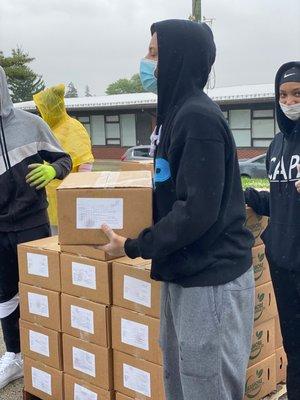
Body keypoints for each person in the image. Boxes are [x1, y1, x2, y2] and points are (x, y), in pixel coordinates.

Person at [99, 20, 255, 400]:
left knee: (207, 386)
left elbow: (195, 212)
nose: (146, 61)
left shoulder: (197, 118)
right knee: (180, 379)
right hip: (182, 270)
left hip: (211, 277)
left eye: (155, 53)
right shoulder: (173, 117)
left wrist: (134, 245)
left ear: (178, 59)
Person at [0, 66, 72, 389]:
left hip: (33, 225)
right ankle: (15, 355)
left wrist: (51, 170)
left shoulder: (32, 124)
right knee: (4, 295)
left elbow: (66, 160)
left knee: (41, 289)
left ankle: (49, 353)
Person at [245, 61, 300, 400]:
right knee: (293, 346)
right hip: (281, 260)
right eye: (283, 94)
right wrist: (246, 196)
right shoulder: (276, 145)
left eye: (297, 94)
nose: (289, 101)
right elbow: (278, 199)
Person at [33, 84, 94, 233]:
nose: (39, 114)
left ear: (51, 108)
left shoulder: (73, 127)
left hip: (70, 199)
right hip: (48, 201)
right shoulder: (47, 129)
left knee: (69, 238)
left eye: (41, 109)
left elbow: (85, 161)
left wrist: (79, 192)